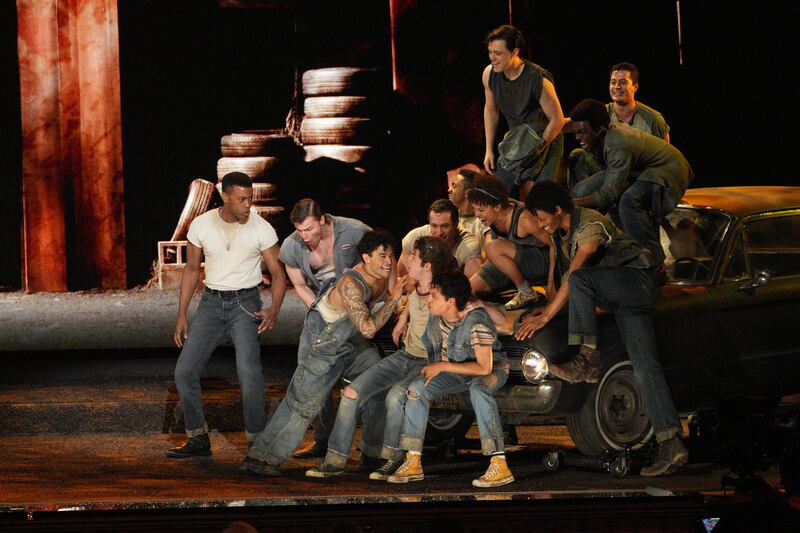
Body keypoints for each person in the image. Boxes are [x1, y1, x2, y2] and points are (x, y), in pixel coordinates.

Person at [518, 181, 687, 477]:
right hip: (621, 300)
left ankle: (586, 360)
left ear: (558, 210)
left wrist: (545, 320)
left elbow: (575, 275)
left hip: (638, 283)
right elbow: (556, 278)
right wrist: (545, 307)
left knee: (582, 280)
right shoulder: (558, 234)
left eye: (544, 219)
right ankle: (671, 442)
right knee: (645, 367)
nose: (542, 227)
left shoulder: (590, 224)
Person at [243, 231, 402, 476]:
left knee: (379, 383)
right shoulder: (351, 285)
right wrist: (394, 300)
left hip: (351, 341)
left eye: (391, 255)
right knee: (303, 403)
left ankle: (372, 453)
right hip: (323, 342)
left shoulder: (381, 273)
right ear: (366, 257)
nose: (388, 261)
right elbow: (368, 328)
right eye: (382, 256)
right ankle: (260, 459)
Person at [305, 237, 457, 478]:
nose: (406, 259)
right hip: (405, 355)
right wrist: (404, 318)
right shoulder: (411, 284)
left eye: (413, 257)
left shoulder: (444, 293)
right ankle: (334, 460)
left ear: (427, 265)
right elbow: (411, 298)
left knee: (395, 396)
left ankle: (391, 459)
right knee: (351, 393)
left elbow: (458, 317)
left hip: (429, 361)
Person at [168, 171, 287, 458]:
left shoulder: (262, 228)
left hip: (244, 303)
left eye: (251, 198)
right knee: (184, 372)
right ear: (225, 197)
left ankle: (256, 440)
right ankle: (198, 437)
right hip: (211, 302)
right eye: (242, 199)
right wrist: (182, 314)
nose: (248, 205)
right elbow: (192, 270)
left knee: (249, 373)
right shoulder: (202, 224)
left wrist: (273, 308)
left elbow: (278, 273)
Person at [386, 271, 512, 488]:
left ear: (451, 301)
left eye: (434, 295)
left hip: (492, 368)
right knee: (417, 388)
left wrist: (443, 366)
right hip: (458, 368)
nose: (429, 300)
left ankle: (499, 463)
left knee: (478, 391)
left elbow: (484, 367)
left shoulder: (476, 322)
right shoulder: (437, 318)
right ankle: (413, 459)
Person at [280, 198, 376, 459]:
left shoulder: (355, 231)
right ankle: (322, 439)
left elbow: (381, 260)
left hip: (356, 315)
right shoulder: (291, 246)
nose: (305, 236)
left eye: (309, 229)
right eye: (300, 231)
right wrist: (320, 311)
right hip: (322, 315)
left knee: (369, 376)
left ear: (322, 220)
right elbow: (299, 285)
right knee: (313, 378)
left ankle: (372, 445)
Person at [569, 98, 693, 265]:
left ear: (598, 130)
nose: (577, 137)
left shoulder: (618, 146)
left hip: (670, 172)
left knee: (628, 200)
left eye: (582, 132)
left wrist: (571, 204)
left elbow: (608, 195)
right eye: (575, 132)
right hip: (642, 171)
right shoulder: (603, 139)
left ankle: (653, 263)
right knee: (582, 190)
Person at [482, 24, 565, 200]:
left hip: (546, 139)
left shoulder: (537, 79)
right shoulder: (489, 74)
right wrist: (489, 149)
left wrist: (538, 150)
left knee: (544, 198)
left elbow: (557, 120)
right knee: (498, 195)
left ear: (514, 52)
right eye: (490, 52)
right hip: (518, 140)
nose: (492, 58)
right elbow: (491, 109)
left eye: (498, 53)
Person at [568, 62, 671, 188]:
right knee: (578, 155)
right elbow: (571, 123)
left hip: (637, 176)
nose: (617, 86)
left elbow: (666, 157)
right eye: (613, 82)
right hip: (608, 169)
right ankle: (581, 202)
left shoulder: (652, 118)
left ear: (635, 86)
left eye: (623, 82)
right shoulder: (600, 113)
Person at [467, 174, 551, 310]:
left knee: (492, 248)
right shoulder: (492, 218)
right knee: (467, 291)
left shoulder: (525, 219)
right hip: (517, 262)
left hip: (542, 262)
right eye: (475, 209)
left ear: (498, 206)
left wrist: (553, 284)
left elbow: (555, 246)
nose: (477, 214)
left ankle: (526, 292)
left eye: (481, 210)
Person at [398, 199, 483, 279]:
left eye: (445, 226)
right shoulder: (415, 237)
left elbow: (472, 288)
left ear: (456, 224)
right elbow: (402, 278)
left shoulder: (468, 246)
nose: (439, 232)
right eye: (434, 226)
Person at [447, 167, 488, 249]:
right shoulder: (449, 219)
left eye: (454, 186)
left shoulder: (482, 223)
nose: (449, 190)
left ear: (467, 193)